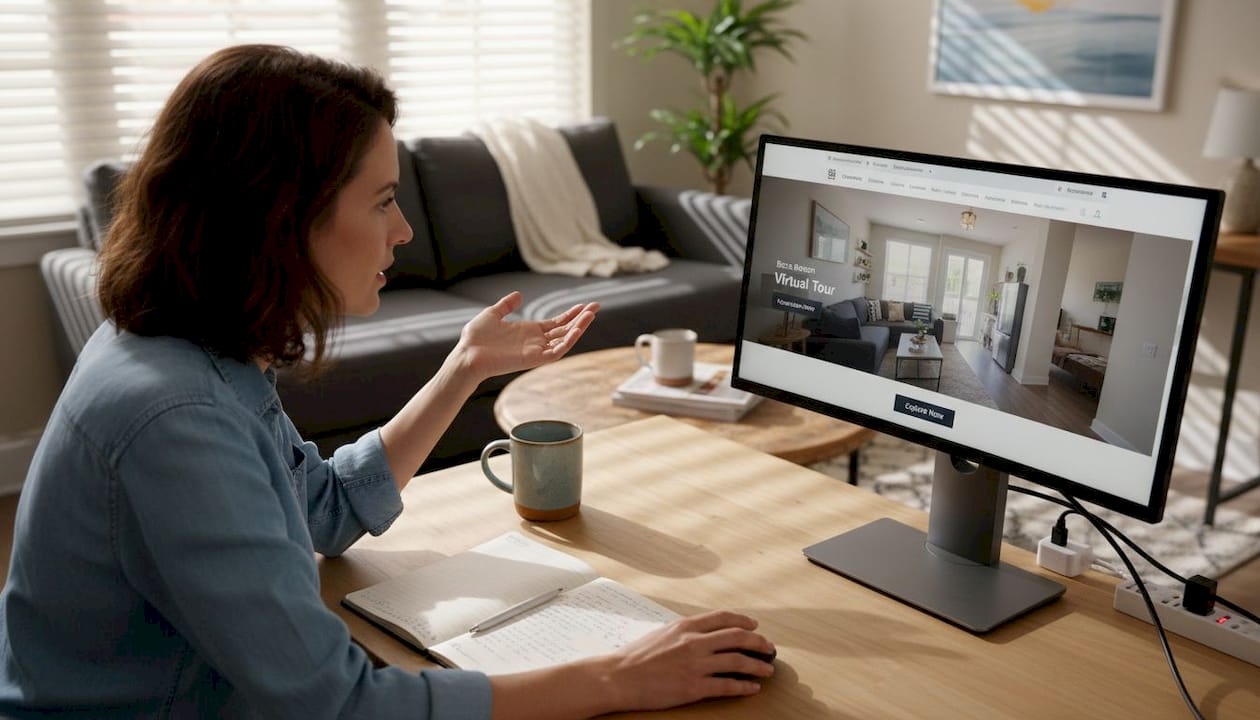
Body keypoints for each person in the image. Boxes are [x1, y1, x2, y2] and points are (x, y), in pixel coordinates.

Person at [0, 44, 774, 718]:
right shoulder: (175, 415)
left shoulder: (192, 350)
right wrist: (621, 677)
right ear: (280, 215)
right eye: (381, 201)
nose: (402, 229)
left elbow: (323, 512)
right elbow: (339, 705)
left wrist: (464, 366)